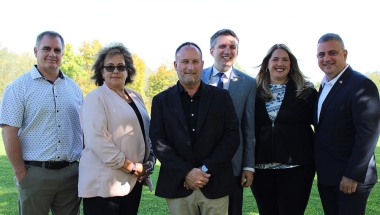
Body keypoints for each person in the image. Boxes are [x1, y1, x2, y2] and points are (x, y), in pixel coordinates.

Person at [150, 42, 240, 215]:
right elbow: (158, 141)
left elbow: (232, 137)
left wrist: (204, 170)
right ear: (176, 65)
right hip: (178, 185)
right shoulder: (161, 101)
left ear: (202, 64)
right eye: (185, 61)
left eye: (195, 61)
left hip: (215, 183)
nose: (190, 67)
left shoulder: (221, 98)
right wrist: (186, 173)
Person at [0, 31, 83, 215]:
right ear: (36, 51)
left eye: (57, 50)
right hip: (35, 174)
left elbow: (83, 129)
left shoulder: (73, 88)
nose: (52, 54)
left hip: (71, 175)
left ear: (62, 54)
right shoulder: (18, 87)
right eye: (46, 48)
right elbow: (9, 132)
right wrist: (21, 174)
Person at [78, 43, 155, 215]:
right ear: (102, 71)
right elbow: (97, 141)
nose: (115, 71)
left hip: (132, 183)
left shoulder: (136, 96)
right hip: (104, 188)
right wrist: (134, 167)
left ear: (128, 71)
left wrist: (149, 162)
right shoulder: (95, 99)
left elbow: (146, 132)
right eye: (110, 67)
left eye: (121, 66)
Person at [314, 33, 380, 215]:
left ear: (345, 54)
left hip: (351, 179)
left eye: (332, 52)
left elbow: (368, 134)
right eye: (321, 54)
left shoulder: (361, 85)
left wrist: (352, 175)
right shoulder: (325, 85)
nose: (326, 58)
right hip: (328, 177)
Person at [250, 44, 317, 215]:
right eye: (275, 59)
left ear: (291, 64)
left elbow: (321, 127)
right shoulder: (252, 91)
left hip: (297, 169)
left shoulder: (306, 92)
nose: (280, 63)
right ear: (267, 64)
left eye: (285, 59)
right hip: (261, 169)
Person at [201, 28, 256, 215]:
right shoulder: (195, 77)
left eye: (232, 47)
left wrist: (248, 165)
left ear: (237, 52)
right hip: (199, 163)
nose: (227, 50)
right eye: (222, 46)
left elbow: (248, 127)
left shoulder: (248, 83)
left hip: (233, 165)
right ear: (211, 51)